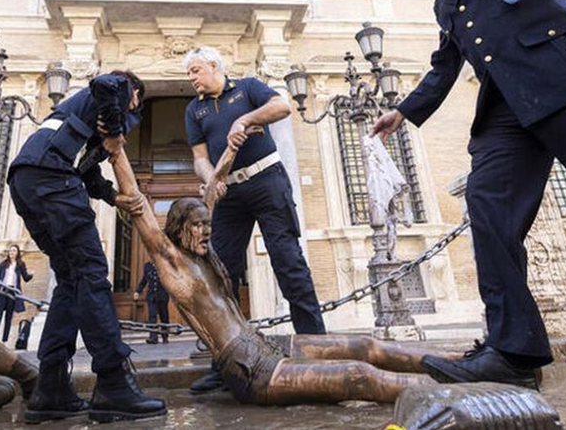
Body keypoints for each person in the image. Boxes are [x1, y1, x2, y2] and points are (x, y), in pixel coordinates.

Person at [371, 0, 566, 389]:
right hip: (506, 106)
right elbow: (444, 65)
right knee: (486, 204)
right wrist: (403, 111)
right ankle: (513, 352)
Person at [105, 130, 458, 406]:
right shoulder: (173, 262)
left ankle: (461, 363)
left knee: (366, 345)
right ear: (178, 227)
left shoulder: (206, 257)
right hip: (249, 368)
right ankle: (461, 390)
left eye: (206, 223)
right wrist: (118, 150)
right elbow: (138, 206)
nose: (205, 229)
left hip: (262, 344)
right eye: (196, 225)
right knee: (358, 375)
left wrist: (232, 146)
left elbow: (214, 187)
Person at [7, 71, 166, 424]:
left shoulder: (79, 118)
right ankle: (113, 383)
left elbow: (88, 173)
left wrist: (113, 197)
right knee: (92, 274)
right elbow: (105, 84)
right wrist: (114, 133)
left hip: (28, 180)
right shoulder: (118, 87)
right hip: (51, 179)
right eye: (136, 102)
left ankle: (51, 389)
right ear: (135, 94)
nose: (134, 108)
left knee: (70, 280)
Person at [183, 46, 326, 393]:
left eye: (195, 71)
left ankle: (319, 354)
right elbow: (199, 156)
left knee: (288, 263)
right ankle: (225, 364)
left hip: (267, 182)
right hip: (228, 193)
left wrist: (244, 120)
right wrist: (210, 177)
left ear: (214, 66)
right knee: (221, 274)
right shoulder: (194, 109)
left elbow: (281, 105)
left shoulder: (248, 87)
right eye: (189, 74)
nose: (192, 79)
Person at [0, 244, 34, 342]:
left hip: (12, 292)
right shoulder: (3, 264)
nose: (11, 253)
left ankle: (4, 339)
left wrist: (31, 275)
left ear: (17, 252)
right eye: (10, 251)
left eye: (14, 250)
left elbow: (25, 278)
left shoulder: (20, 264)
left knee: (9, 316)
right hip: (2, 290)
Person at [133, 261, 170, 344]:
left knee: (164, 316)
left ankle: (165, 336)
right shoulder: (147, 266)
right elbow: (144, 280)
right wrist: (138, 291)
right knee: (152, 316)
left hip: (162, 295)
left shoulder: (164, 264)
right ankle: (153, 337)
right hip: (151, 296)